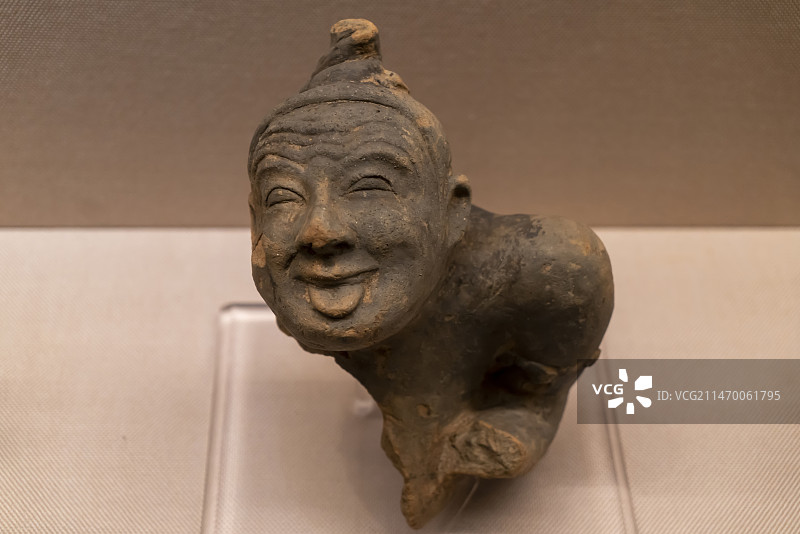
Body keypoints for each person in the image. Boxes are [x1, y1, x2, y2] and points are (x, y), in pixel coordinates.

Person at [247, 19, 613, 528]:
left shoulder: (540, 270)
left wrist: (529, 409)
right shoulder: (298, 286)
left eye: (368, 187)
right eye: (284, 196)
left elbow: (547, 374)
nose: (319, 230)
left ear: (452, 210)